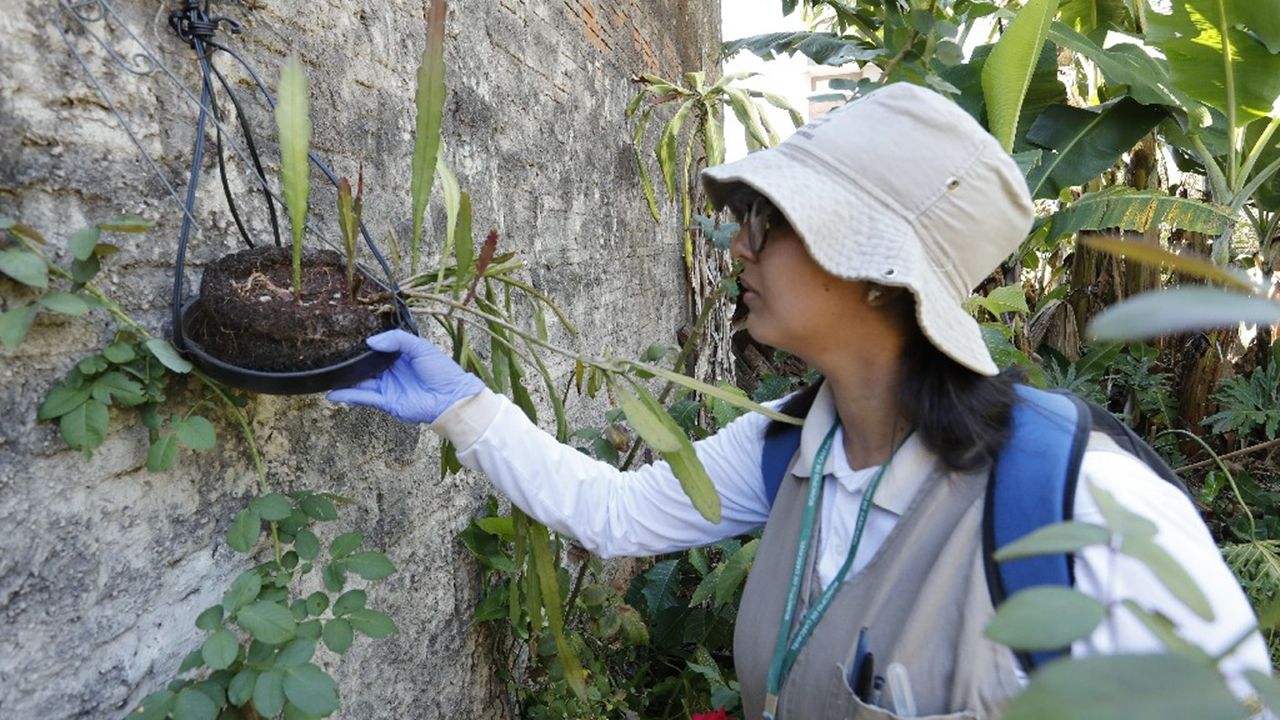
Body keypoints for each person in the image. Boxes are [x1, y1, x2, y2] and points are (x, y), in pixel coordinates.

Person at [329, 83, 1270, 718]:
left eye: (772, 224)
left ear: (874, 273)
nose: (738, 248)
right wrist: (461, 405)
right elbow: (613, 515)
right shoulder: (790, 450)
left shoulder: (1084, 513)